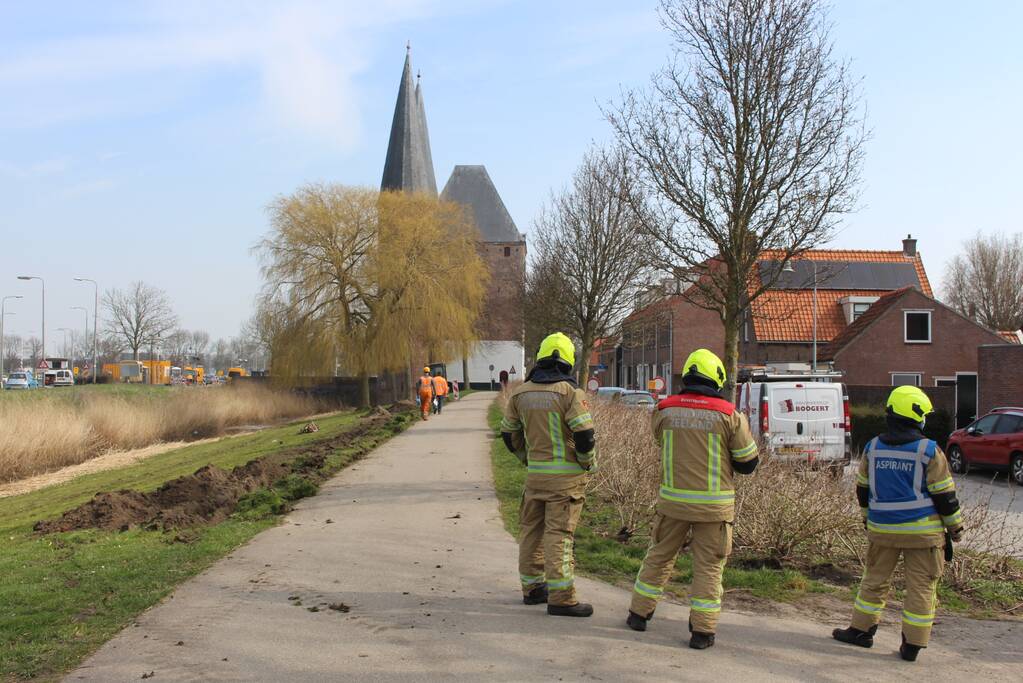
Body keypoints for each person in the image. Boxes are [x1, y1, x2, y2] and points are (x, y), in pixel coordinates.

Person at [625, 348, 758, 650]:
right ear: (717, 379)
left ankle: (638, 614)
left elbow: (660, 440)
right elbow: (748, 463)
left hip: (672, 503)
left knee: (659, 556)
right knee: (709, 567)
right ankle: (702, 632)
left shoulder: (664, 409)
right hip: (714, 507)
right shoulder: (729, 415)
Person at [833, 385, 964, 662]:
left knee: (874, 581)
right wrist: (955, 529)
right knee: (921, 587)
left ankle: (860, 631)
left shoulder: (873, 447)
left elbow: (863, 491)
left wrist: (868, 519)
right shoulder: (929, 450)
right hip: (923, 534)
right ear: (918, 417)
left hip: (882, 531)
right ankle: (912, 645)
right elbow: (945, 497)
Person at [501, 332, 596, 617]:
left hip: (536, 478)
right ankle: (562, 598)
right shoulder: (570, 394)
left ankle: (532, 589)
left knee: (531, 531)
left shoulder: (520, 393)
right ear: (568, 361)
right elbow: (585, 434)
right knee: (559, 535)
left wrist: (526, 459)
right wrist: (585, 462)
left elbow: (508, 434)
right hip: (565, 481)